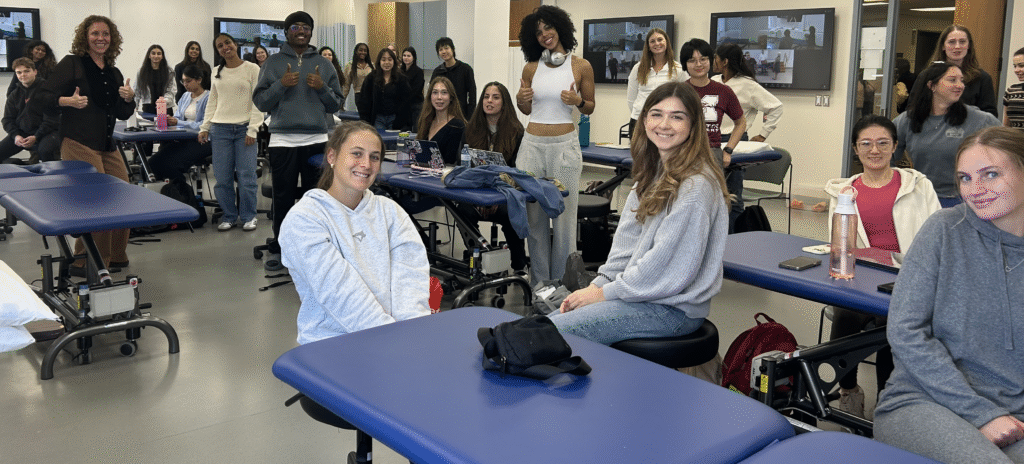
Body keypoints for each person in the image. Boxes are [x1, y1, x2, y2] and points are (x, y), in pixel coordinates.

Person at [874, 126, 1024, 464]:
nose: (976, 190)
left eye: (991, 174)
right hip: (923, 400)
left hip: (1013, 412)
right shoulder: (945, 230)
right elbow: (906, 332)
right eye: (965, 178)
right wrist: (981, 413)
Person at [549, 81, 728, 345]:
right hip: (640, 296)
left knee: (547, 335)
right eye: (656, 114)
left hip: (670, 309)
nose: (664, 124)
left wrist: (601, 295)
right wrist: (596, 286)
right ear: (644, 120)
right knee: (546, 324)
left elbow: (663, 270)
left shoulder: (696, 186)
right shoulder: (651, 175)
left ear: (693, 126)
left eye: (677, 117)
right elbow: (624, 249)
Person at [822, 115, 941, 418]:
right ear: (856, 149)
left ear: (895, 147)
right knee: (845, 315)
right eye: (866, 143)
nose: (874, 150)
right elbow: (838, 243)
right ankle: (849, 391)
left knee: (893, 325)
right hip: (860, 276)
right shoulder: (843, 192)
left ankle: (887, 403)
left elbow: (937, 237)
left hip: (909, 278)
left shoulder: (918, 186)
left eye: (883, 143)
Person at [280, 121, 430, 344]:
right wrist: (393, 341)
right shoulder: (304, 219)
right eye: (357, 154)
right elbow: (340, 294)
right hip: (331, 344)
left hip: (396, 338)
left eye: (374, 157)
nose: (366, 164)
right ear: (332, 156)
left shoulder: (390, 211)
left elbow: (411, 278)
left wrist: (412, 334)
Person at [37, 15, 136, 272]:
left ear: (111, 39)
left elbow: (123, 113)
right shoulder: (72, 64)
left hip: (107, 144)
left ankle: (116, 255)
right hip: (78, 142)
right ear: (85, 37)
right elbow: (42, 96)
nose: (100, 38)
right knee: (98, 200)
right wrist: (66, 101)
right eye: (95, 34)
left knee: (124, 195)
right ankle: (87, 261)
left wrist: (128, 98)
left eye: (105, 34)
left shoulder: (113, 72)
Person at [253, 10, 343, 271]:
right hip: (282, 140)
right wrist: (281, 85)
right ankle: (283, 248)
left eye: (305, 26)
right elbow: (260, 102)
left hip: (316, 139)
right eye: (295, 27)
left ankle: (316, 247)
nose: (301, 31)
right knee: (283, 197)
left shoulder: (325, 65)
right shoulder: (273, 63)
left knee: (316, 197)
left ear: (311, 31)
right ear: (286, 32)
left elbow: (335, 103)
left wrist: (321, 87)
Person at [516, 5, 595, 285]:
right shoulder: (531, 67)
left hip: (564, 147)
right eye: (538, 32)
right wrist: (521, 98)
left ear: (560, 28)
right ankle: (540, 285)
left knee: (563, 219)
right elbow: (525, 109)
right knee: (534, 218)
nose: (544, 35)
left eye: (548, 28)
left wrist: (578, 102)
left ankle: (563, 285)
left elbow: (590, 107)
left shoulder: (580, 65)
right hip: (532, 146)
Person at [894, 62, 1000, 207]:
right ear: (932, 86)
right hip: (922, 199)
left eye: (961, 80)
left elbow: (1009, 150)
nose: (960, 85)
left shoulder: (979, 119)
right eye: (952, 80)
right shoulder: (907, 120)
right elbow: (887, 154)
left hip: (964, 201)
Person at [712, 42, 783, 232]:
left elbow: (775, 107)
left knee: (733, 196)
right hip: (712, 142)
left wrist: (763, 134)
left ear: (724, 61)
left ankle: (734, 241)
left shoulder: (747, 85)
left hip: (736, 144)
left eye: (715, 58)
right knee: (711, 196)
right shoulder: (715, 81)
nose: (713, 61)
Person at [459, 82, 527, 272]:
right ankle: (479, 256)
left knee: (511, 213)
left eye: (495, 97)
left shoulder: (516, 132)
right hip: (475, 193)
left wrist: (496, 198)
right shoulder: (470, 129)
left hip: (504, 194)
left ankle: (519, 267)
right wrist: (478, 197)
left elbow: (517, 172)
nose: (489, 101)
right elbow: (463, 166)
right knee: (461, 211)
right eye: (486, 96)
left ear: (504, 103)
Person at [198, 33, 264, 232]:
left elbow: (258, 101)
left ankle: (248, 216)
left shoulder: (252, 68)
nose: (225, 47)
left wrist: (253, 129)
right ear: (217, 50)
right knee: (222, 178)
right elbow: (213, 101)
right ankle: (228, 215)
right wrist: (204, 127)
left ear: (235, 44)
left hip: (245, 129)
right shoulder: (216, 71)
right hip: (220, 130)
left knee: (246, 177)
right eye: (220, 46)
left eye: (228, 43)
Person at [682, 39, 745, 168]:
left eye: (703, 59)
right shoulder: (678, 91)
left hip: (712, 153)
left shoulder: (724, 91)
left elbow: (741, 123)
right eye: (692, 60)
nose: (698, 64)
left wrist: (728, 150)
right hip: (682, 153)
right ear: (685, 64)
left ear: (710, 60)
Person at [910, 25, 997, 117]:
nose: (957, 46)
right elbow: (913, 108)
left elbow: (990, 115)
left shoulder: (982, 77)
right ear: (943, 46)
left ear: (969, 46)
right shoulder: (927, 75)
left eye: (962, 42)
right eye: (952, 42)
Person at [149, 64, 211, 185]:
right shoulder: (185, 96)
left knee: (170, 166)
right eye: (183, 82)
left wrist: (178, 122)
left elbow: (205, 125)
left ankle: (183, 196)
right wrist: (170, 120)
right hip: (184, 139)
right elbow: (178, 117)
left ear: (199, 80)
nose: (185, 84)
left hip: (201, 141)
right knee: (151, 164)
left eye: (188, 81)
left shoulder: (208, 98)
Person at [625, 28, 685, 138]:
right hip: (639, 121)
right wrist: (640, 115)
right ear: (648, 46)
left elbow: (685, 97)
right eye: (652, 41)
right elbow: (631, 98)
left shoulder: (678, 69)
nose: (657, 43)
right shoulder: (638, 68)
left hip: (666, 123)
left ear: (666, 42)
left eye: (660, 39)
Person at [0, 58, 59, 163]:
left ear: (35, 72)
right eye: (19, 72)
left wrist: (36, 137)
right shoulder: (14, 95)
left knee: (45, 151)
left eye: (26, 71)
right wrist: (16, 136)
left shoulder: (47, 89)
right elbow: (7, 120)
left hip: (46, 133)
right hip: (22, 134)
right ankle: (20, 165)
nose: (23, 75)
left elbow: (51, 120)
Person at [357, 48, 411, 131]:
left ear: (394, 61)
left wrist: (401, 121)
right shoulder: (371, 77)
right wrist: (365, 120)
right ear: (379, 62)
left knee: (393, 143)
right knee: (379, 142)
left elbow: (406, 102)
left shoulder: (402, 79)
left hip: (395, 118)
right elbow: (364, 100)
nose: (387, 63)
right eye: (383, 60)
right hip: (377, 118)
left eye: (390, 60)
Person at [416, 76, 465, 164]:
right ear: (430, 96)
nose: (439, 97)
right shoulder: (426, 121)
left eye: (444, 93)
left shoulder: (457, 125)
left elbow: (450, 161)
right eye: (435, 92)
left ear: (451, 97)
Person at [430, 37, 476, 117]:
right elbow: (431, 93)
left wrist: (470, 114)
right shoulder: (437, 71)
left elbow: (472, 93)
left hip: (461, 113)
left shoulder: (465, 69)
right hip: (441, 113)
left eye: (446, 48)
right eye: (440, 50)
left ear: (453, 49)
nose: (444, 52)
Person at [133, 44, 176, 115]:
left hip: (165, 107)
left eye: (159, 54)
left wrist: (164, 100)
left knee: (164, 126)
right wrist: (134, 108)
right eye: (153, 53)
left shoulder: (169, 72)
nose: (156, 56)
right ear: (149, 56)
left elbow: (171, 91)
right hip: (148, 108)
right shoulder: (141, 72)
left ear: (162, 56)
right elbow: (137, 91)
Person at [342, 42, 372, 111]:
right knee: (364, 118)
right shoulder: (350, 66)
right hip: (359, 95)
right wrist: (341, 103)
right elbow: (346, 85)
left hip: (372, 95)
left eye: (365, 51)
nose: (363, 52)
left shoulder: (371, 66)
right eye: (360, 50)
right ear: (356, 51)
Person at [400, 46, 425, 127]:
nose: (406, 58)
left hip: (416, 105)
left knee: (415, 130)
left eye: (408, 56)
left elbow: (417, 90)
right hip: (403, 106)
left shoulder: (418, 71)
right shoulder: (400, 71)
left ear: (413, 58)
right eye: (404, 55)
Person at [1003, 47, 1024, 133]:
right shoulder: (1011, 91)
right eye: (1015, 66)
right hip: (1015, 143)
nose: (1016, 70)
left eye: (1021, 65)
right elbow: (1006, 126)